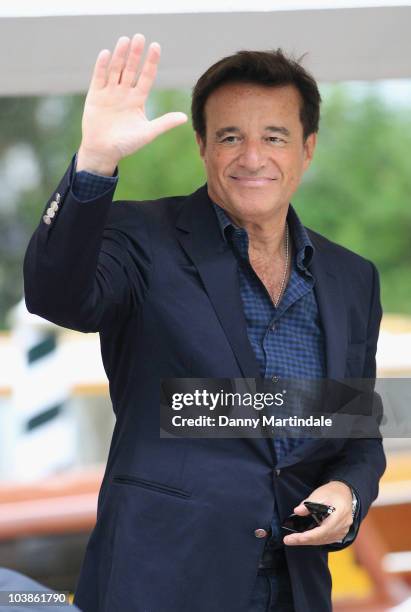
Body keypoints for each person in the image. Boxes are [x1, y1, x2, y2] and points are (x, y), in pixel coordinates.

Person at [23, 34, 386, 612]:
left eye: (274, 137)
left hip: (296, 587)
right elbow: (55, 295)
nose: (252, 157)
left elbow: (356, 435)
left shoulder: (352, 278)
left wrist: (348, 491)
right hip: (160, 583)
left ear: (307, 148)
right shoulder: (140, 238)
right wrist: (95, 162)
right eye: (229, 137)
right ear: (202, 145)